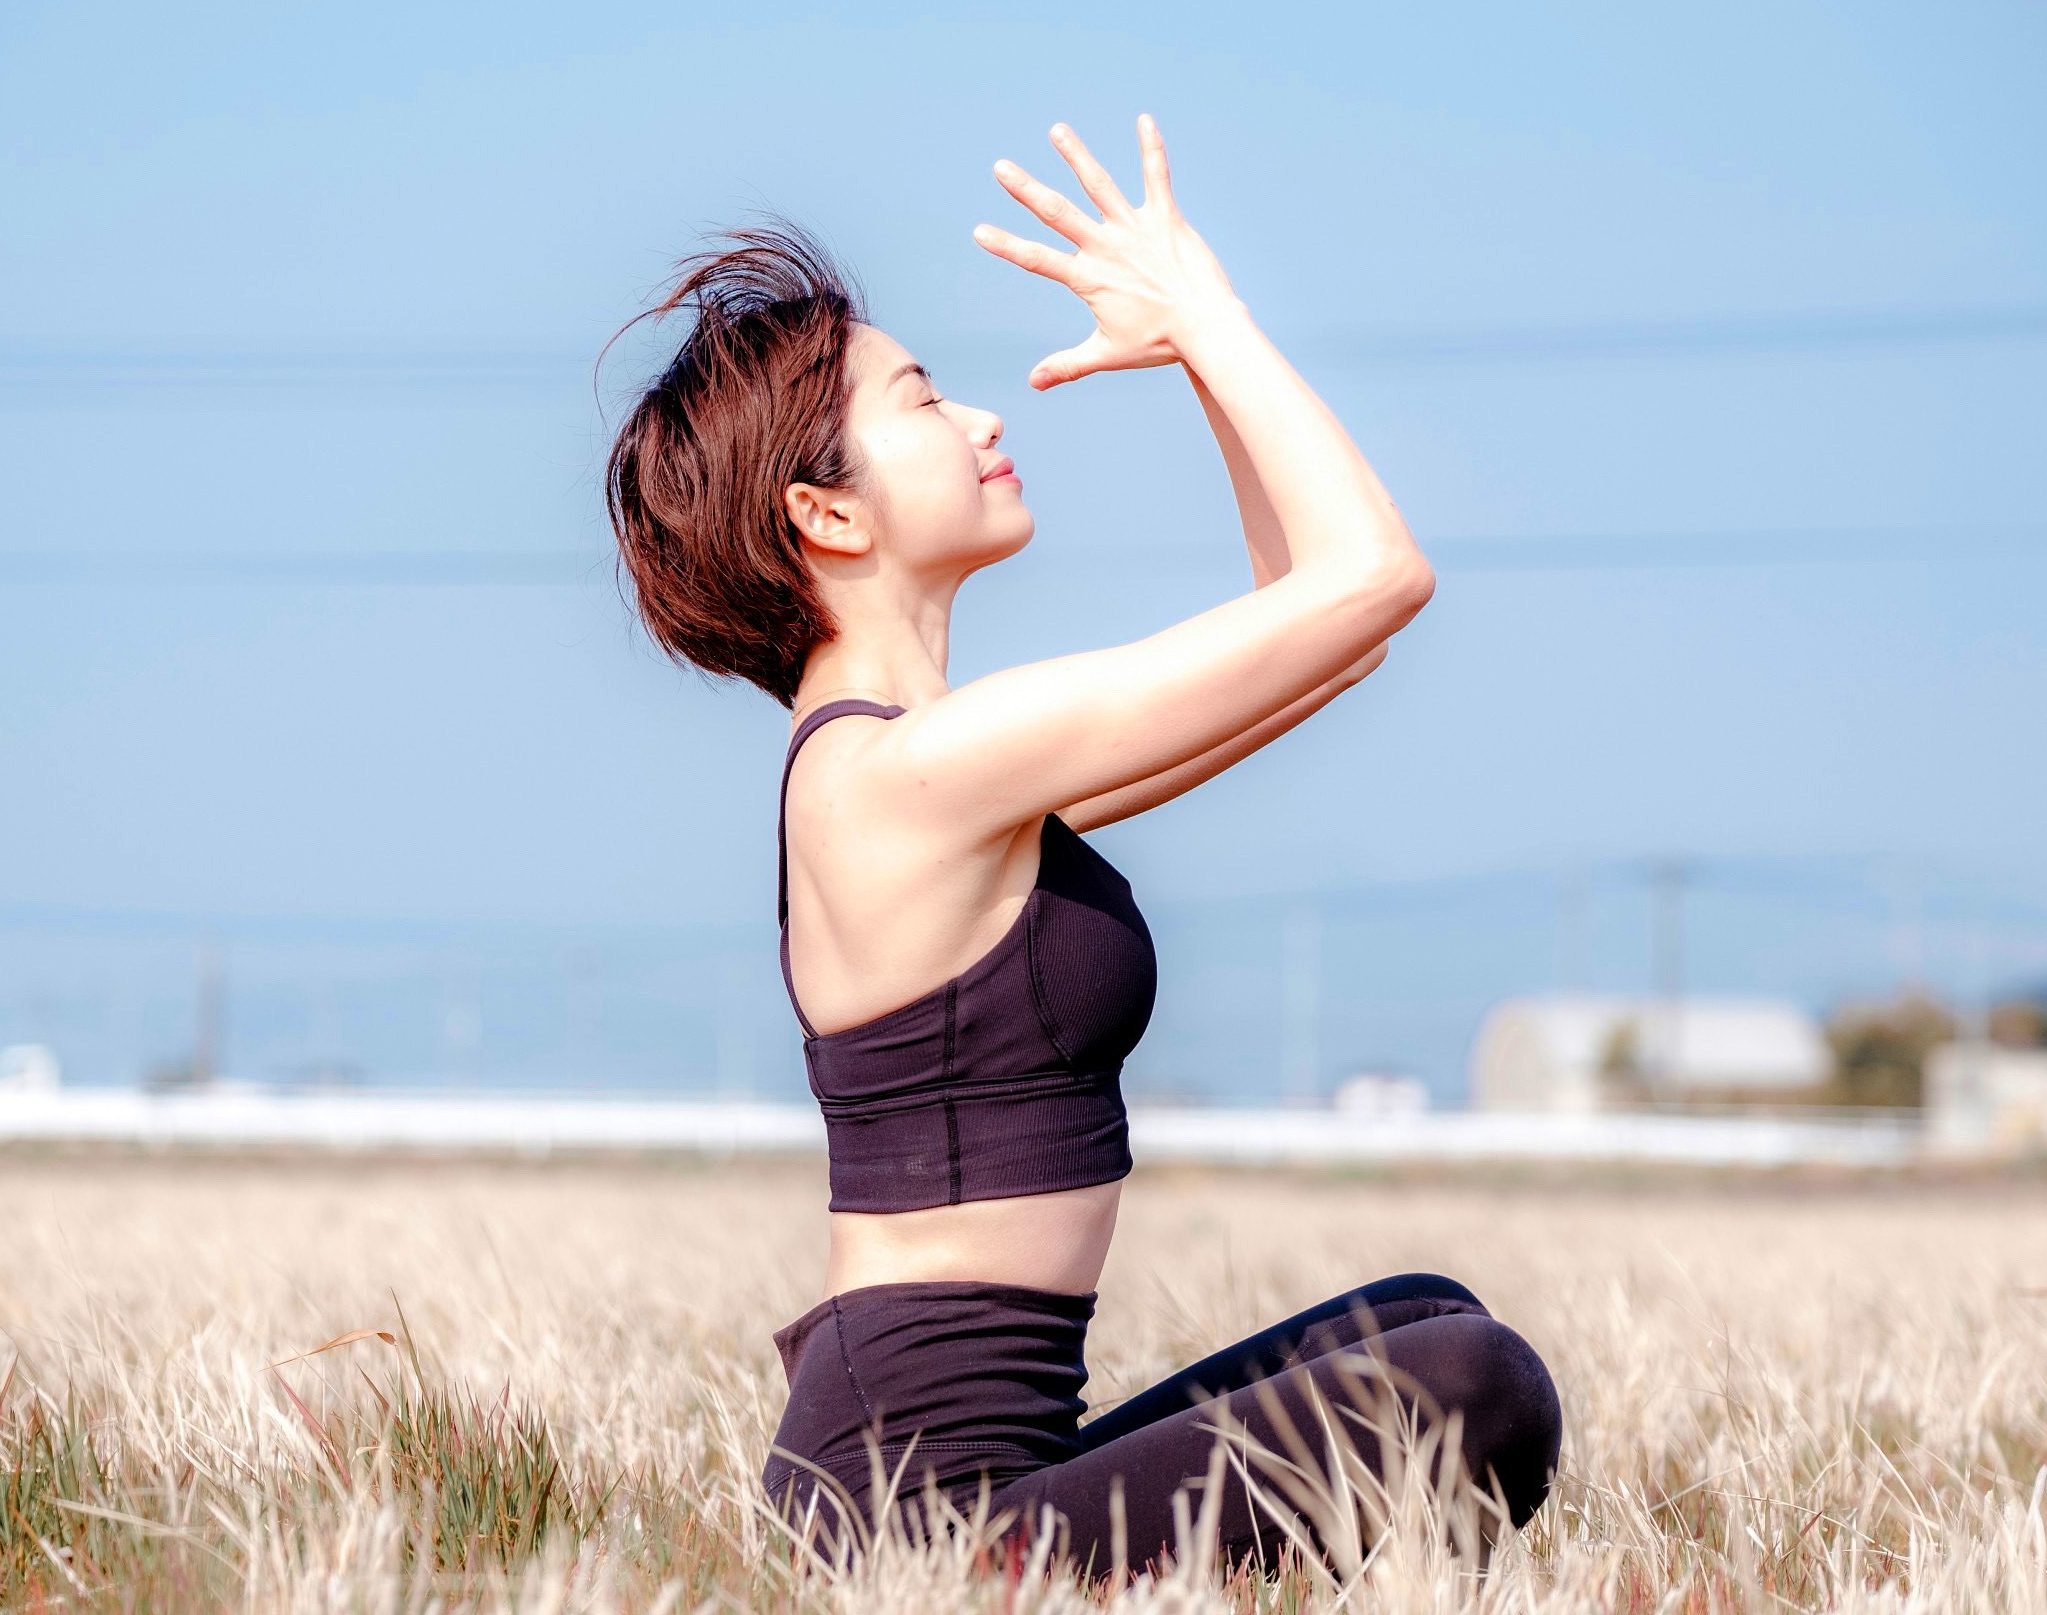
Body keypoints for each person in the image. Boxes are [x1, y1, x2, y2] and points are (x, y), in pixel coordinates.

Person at [602, 115, 1560, 1580]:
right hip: (915, 1524)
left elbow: (1326, 627)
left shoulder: (939, 770)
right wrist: (1205, 316)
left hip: (988, 1473)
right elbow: (1374, 577)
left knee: (1427, 1319)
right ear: (826, 512)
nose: (982, 418)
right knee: (1473, 1384)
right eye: (923, 400)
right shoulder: (913, 774)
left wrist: (1194, 357)